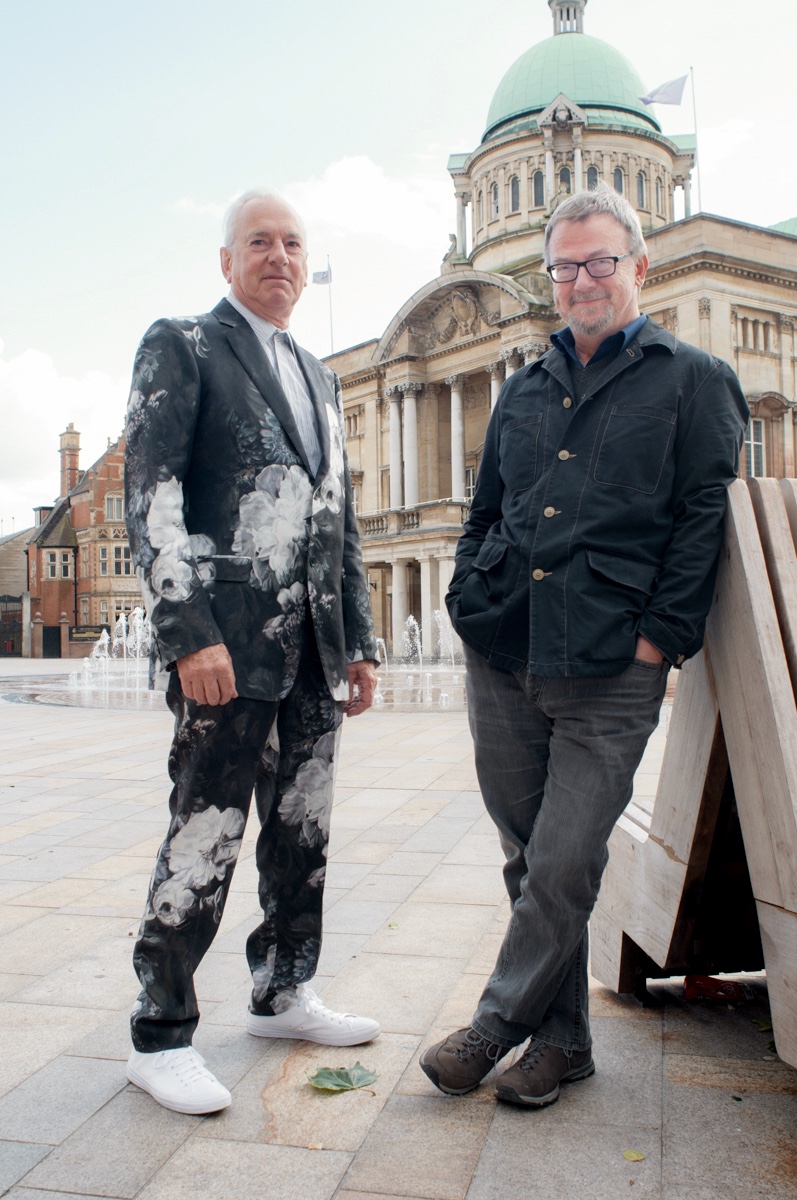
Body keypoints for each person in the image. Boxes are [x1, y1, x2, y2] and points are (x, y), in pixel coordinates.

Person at [420, 183, 748, 1108]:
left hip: (611, 663)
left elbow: (700, 522)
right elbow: (486, 511)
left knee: (564, 859)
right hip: (503, 650)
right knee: (527, 860)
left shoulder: (694, 380)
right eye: (564, 267)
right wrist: (465, 597)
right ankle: (562, 1043)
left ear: (638, 265)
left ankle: (493, 1026)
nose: (581, 280)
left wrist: (657, 642)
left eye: (600, 261)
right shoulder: (522, 387)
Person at [124, 189, 380, 1115]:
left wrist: (358, 642)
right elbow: (150, 496)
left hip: (313, 650)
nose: (279, 256)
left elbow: (337, 519)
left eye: (293, 243)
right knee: (207, 830)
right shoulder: (185, 345)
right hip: (224, 648)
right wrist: (188, 633)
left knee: (301, 831)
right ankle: (160, 1033)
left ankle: (281, 990)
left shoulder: (321, 377)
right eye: (259, 242)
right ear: (226, 261)